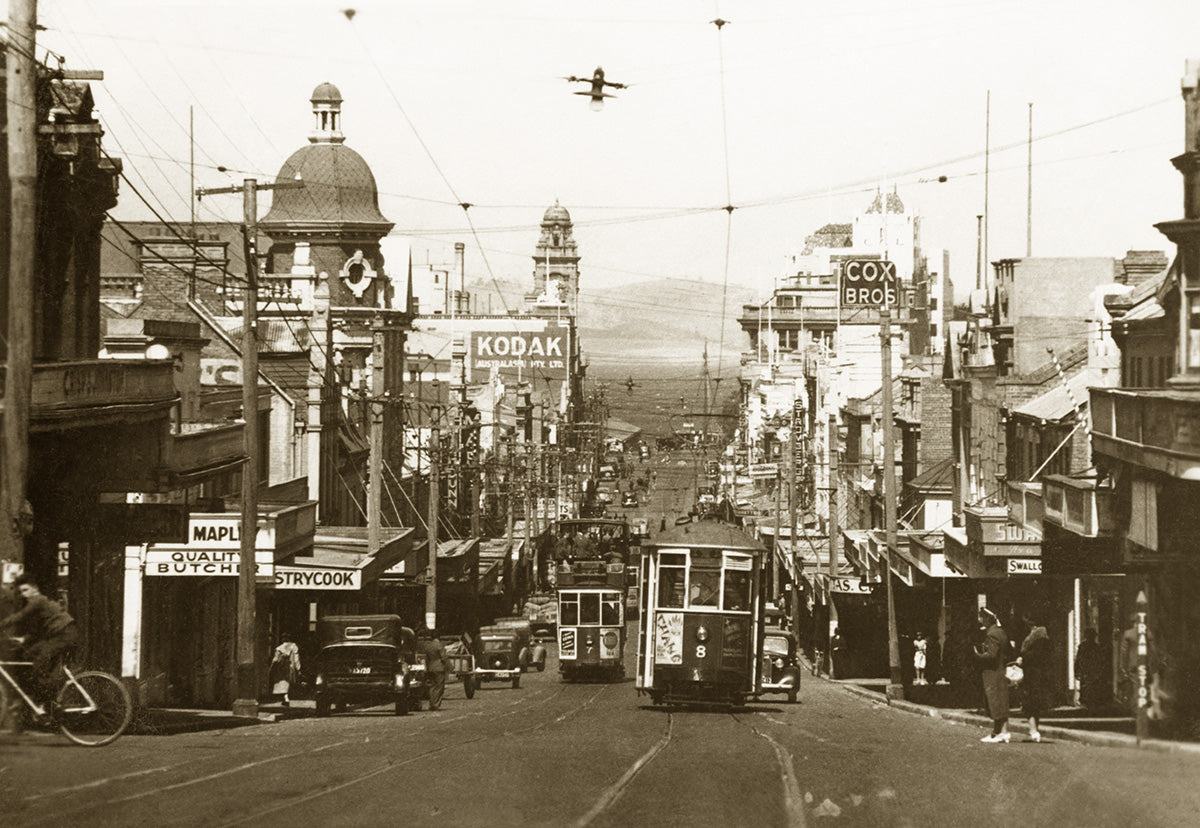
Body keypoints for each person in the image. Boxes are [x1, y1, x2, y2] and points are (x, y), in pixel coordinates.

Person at [0, 573, 79, 715]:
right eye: (21, 592)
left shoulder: (38, 601)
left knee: (39, 662)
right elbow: (39, 629)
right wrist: (25, 639)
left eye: (26, 590)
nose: (24, 595)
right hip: (61, 634)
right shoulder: (39, 604)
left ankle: (48, 703)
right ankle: (39, 699)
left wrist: (1, 624)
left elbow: (21, 616)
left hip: (64, 635)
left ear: (34, 589)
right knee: (29, 653)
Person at [973, 607, 1012, 743]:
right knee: (1000, 701)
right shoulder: (1001, 632)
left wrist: (977, 655)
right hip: (1001, 671)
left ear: (988, 619)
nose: (980, 621)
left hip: (993, 673)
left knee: (995, 701)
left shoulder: (992, 634)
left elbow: (991, 655)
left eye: (982, 618)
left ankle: (1003, 732)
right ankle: (997, 732)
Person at [1017, 612, 1051, 742]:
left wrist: (1023, 658)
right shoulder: (1042, 635)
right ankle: (1035, 729)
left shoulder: (1038, 636)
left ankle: (1033, 730)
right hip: (1037, 674)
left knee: (1029, 702)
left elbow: (1037, 655)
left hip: (1033, 674)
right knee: (1034, 702)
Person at [1074, 628, 1105, 710]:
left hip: (1086, 670)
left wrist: (1076, 670)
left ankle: (1087, 703)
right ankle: (1090, 704)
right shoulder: (1096, 647)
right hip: (1091, 670)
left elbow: (1078, 659)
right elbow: (1100, 660)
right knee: (1091, 687)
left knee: (1086, 687)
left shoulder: (1083, 646)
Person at [269, 632, 301, 707]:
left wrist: (272, 667)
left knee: (282, 682)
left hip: (280, 667)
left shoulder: (279, 648)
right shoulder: (294, 646)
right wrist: (298, 668)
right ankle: (286, 698)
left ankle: (285, 698)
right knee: (288, 682)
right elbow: (296, 658)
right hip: (290, 666)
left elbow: (275, 659)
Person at [422, 627, 449, 710]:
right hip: (439, 668)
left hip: (431, 667)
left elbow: (427, 658)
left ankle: (431, 703)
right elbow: (444, 657)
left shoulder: (429, 646)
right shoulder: (439, 645)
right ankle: (435, 704)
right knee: (439, 687)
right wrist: (449, 667)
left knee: (432, 686)